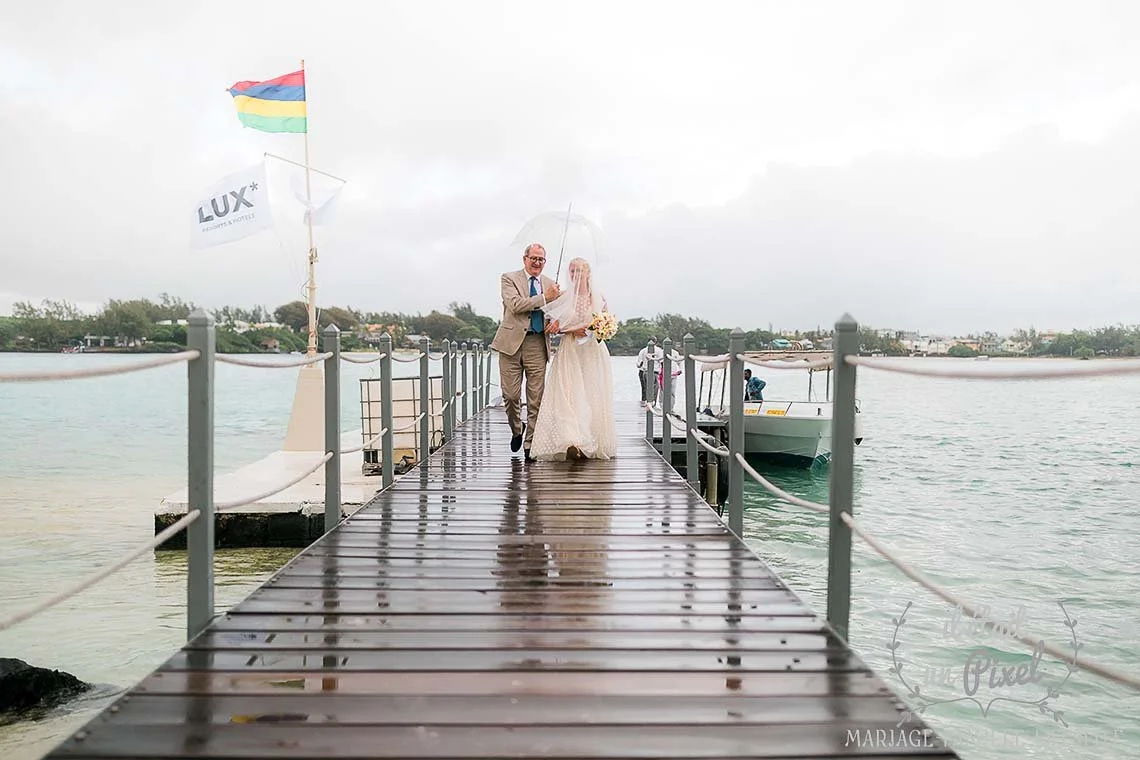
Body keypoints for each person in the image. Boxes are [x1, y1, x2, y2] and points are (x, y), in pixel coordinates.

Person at [529, 257, 617, 461]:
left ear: (588, 274)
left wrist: (597, 329)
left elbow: (606, 327)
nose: (576, 275)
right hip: (570, 350)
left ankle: (590, 439)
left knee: (590, 394)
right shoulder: (563, 297)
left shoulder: (600, 298)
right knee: (569, 393)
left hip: (593, 352)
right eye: (572, 271)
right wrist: (569, 328)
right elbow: (553, 327)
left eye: (580, 271)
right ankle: (572, 440)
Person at [490, 242, 560, 462]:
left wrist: (556, 320)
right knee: (510, 396)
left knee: (536, 399)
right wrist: (545, 297)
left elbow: (558, 311)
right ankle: (516, 429)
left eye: (541, 259)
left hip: (537, 344)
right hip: (510, 345)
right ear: (525, 259)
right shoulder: (509, 278)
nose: (537, 263)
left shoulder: (551, 285)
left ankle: (530, 444)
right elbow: (515, 305)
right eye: (534, 258)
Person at [635, 338, 663, 402]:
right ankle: (652, 402)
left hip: (643, 371)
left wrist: (641, 365)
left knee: (644, 387)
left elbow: (639, 364)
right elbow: (662, 361)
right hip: (655, 371)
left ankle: (644, 401)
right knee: (655, 388)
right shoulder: (659, 350)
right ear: (656, 342)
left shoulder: (643, 351)